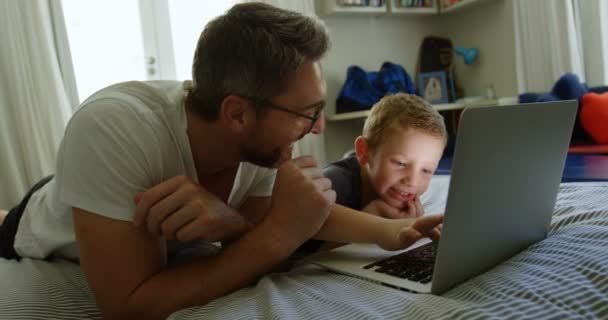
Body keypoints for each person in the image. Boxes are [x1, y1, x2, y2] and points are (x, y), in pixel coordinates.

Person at [0, 3, 442, 320]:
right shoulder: (115, 127)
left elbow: (293, 213)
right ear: (237, 113)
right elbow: (128, 306)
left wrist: (392, 233)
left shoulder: (257, 144)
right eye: (307, 113)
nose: (319, 129)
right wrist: (273, 238)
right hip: (45, 220)